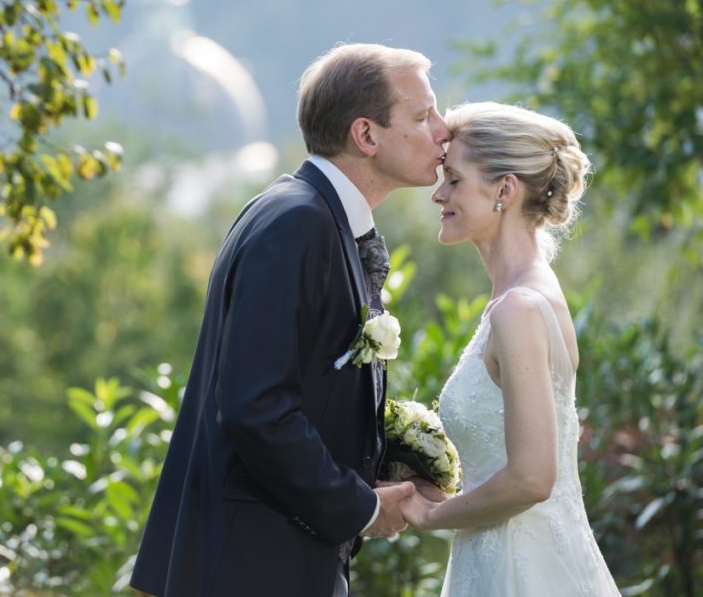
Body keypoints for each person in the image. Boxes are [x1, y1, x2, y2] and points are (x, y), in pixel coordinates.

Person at [129, 43, 449, 597]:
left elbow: (305, 390)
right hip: (250, 566)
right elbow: (256, 407)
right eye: (423, 116)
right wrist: (361, 507)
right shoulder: (297, 223)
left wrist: (387, 456)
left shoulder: (308, 214)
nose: (443, 132)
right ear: (366, 135)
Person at [405, 102, 621, 595]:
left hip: (524, 572)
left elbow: (531, 478)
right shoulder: (519, 298)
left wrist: (430, 514)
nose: (438, 194)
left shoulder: (518, 308)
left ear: (505, 189)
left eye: (454, 179)